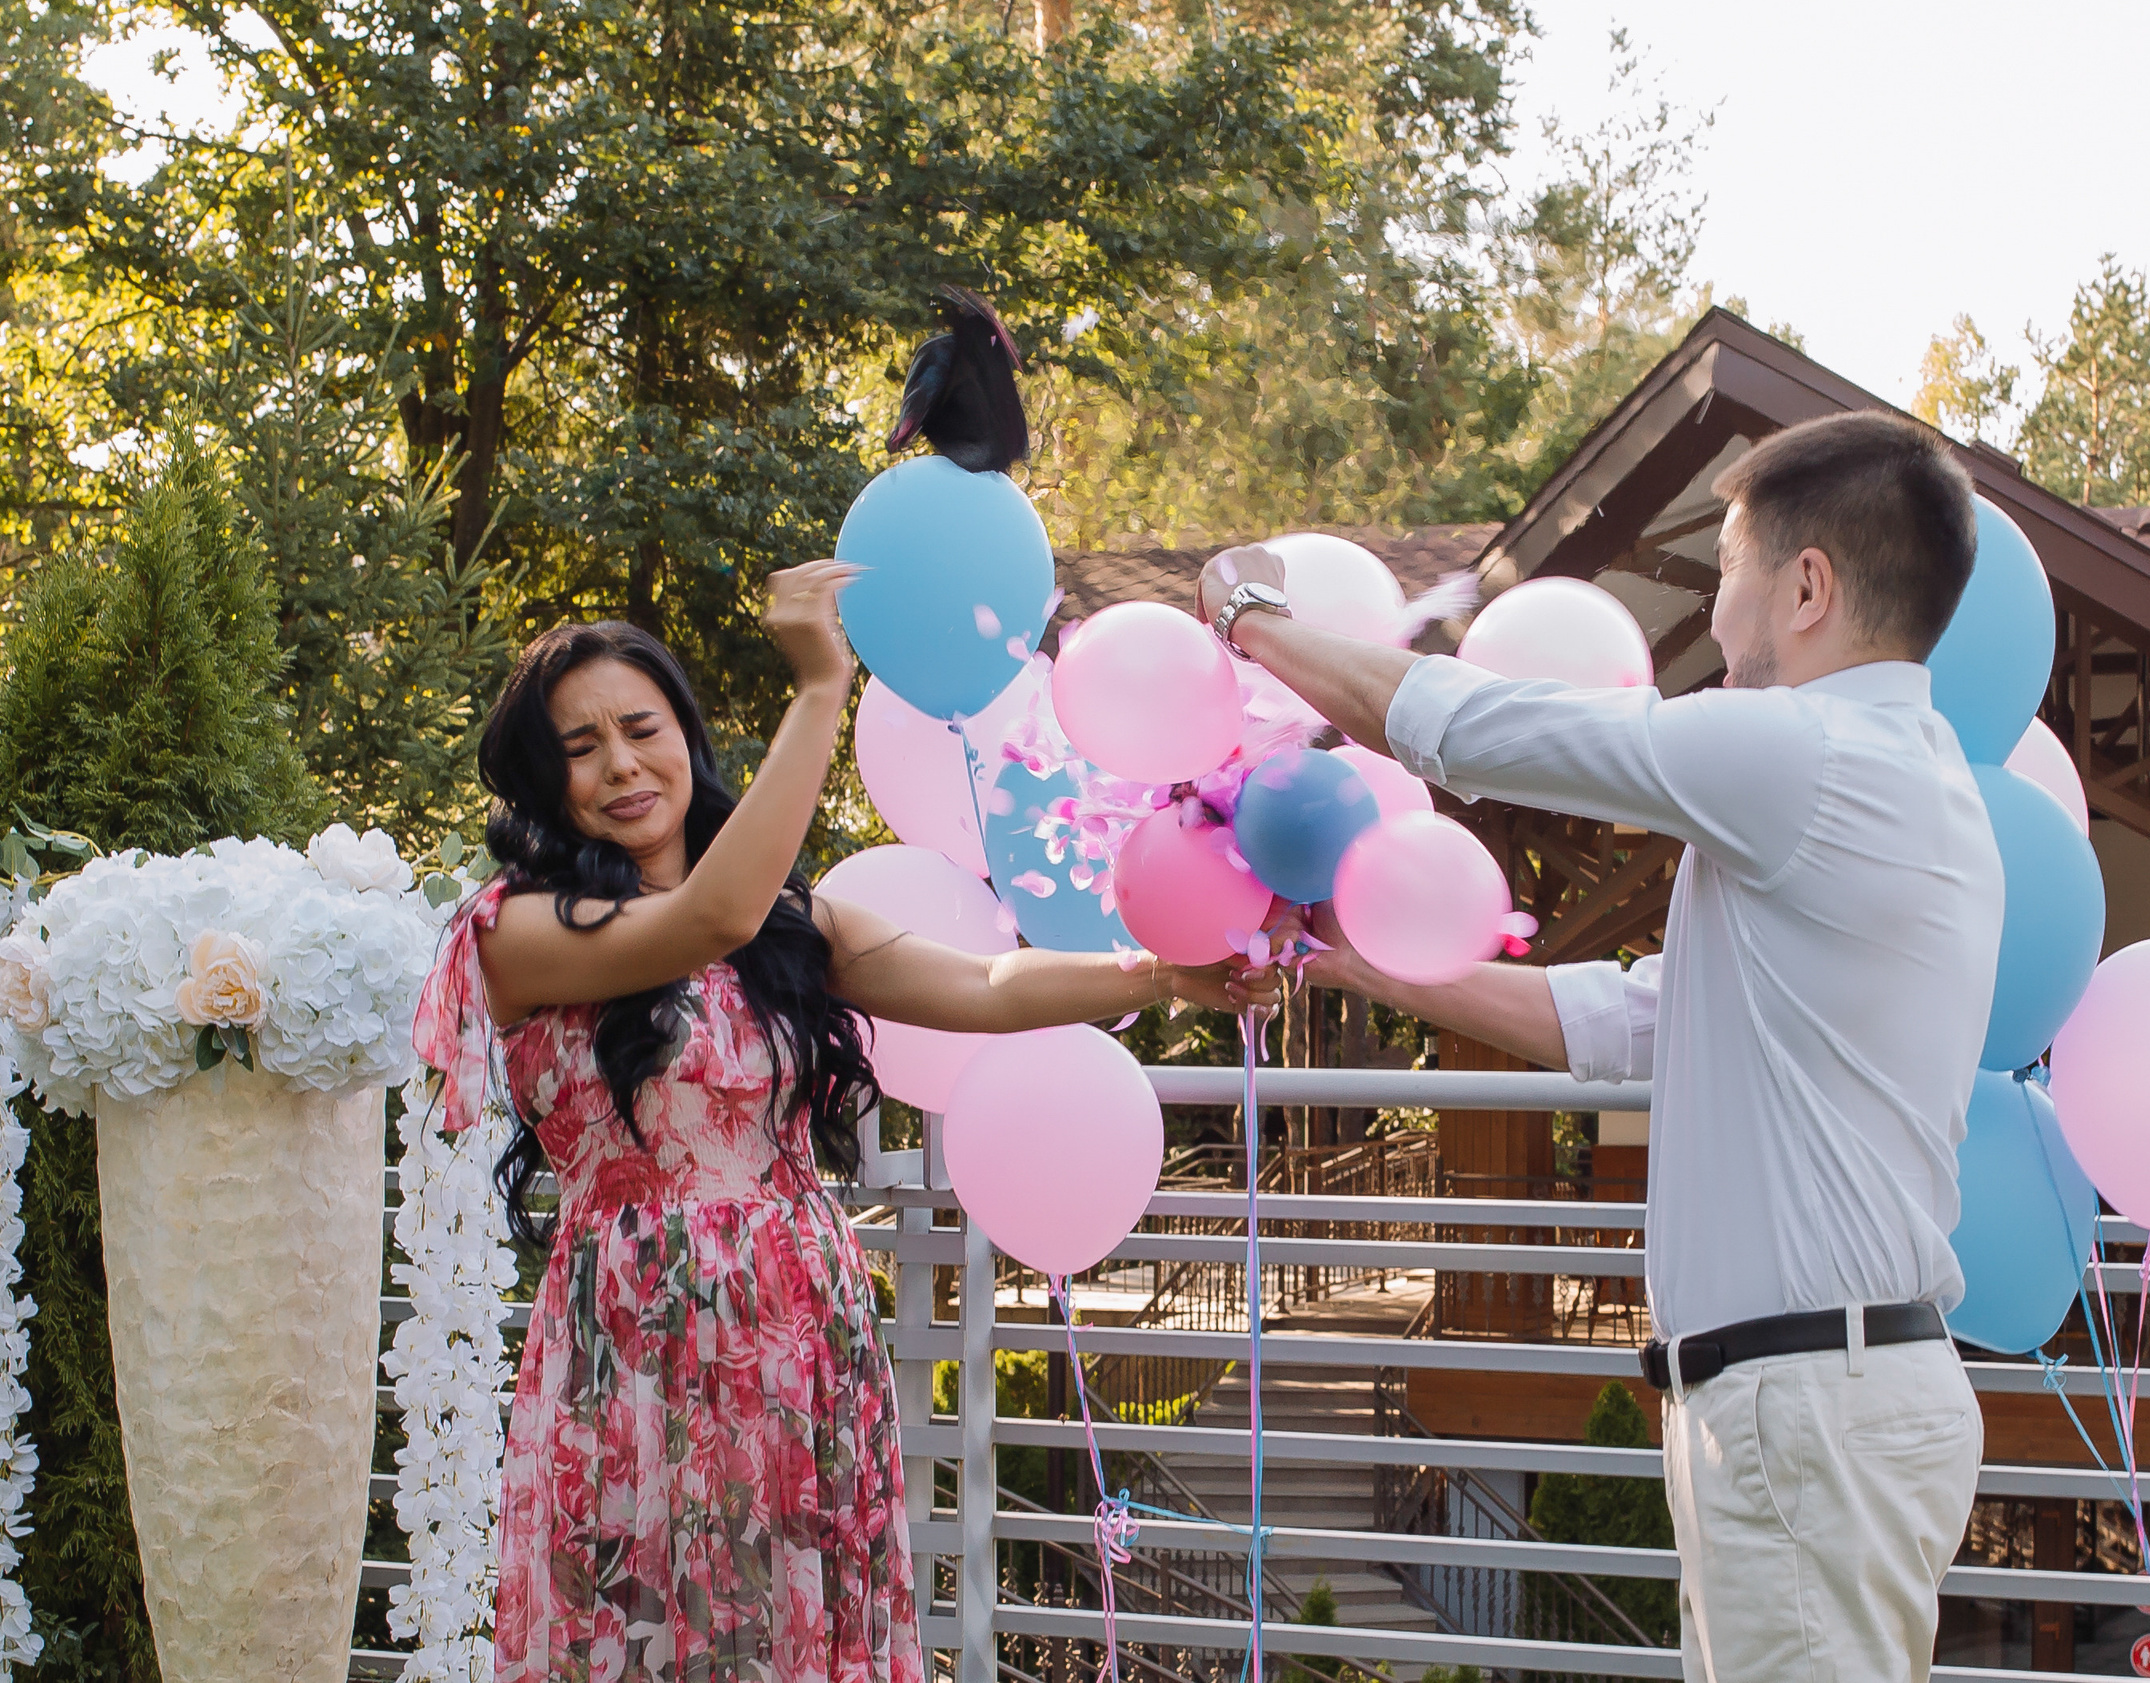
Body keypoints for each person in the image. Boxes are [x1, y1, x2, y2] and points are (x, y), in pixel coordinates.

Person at [1199, 411, 2003, 1682]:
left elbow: (1486, 728)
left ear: (1808, 589)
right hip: (1814, 1404)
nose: (1717, 619)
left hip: (1806, 1408)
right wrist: (1362, 957)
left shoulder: (1809, 755)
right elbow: (1626, 1022)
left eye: (1729, 572)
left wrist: (1252, 622)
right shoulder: (1902, 777)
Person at [413, 562, 1276, 1683]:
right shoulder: (517, 931)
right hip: (632, 1335)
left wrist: (1165, 974)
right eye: (581, 747)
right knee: (643, 1622)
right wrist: (822, 684)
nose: (621, 764)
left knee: (797, 1627)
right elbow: (704, 918)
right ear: (545, 778)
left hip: (799, 1324)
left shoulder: (788, 925)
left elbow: (985, 984)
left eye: (641, 728)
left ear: (685, 738)